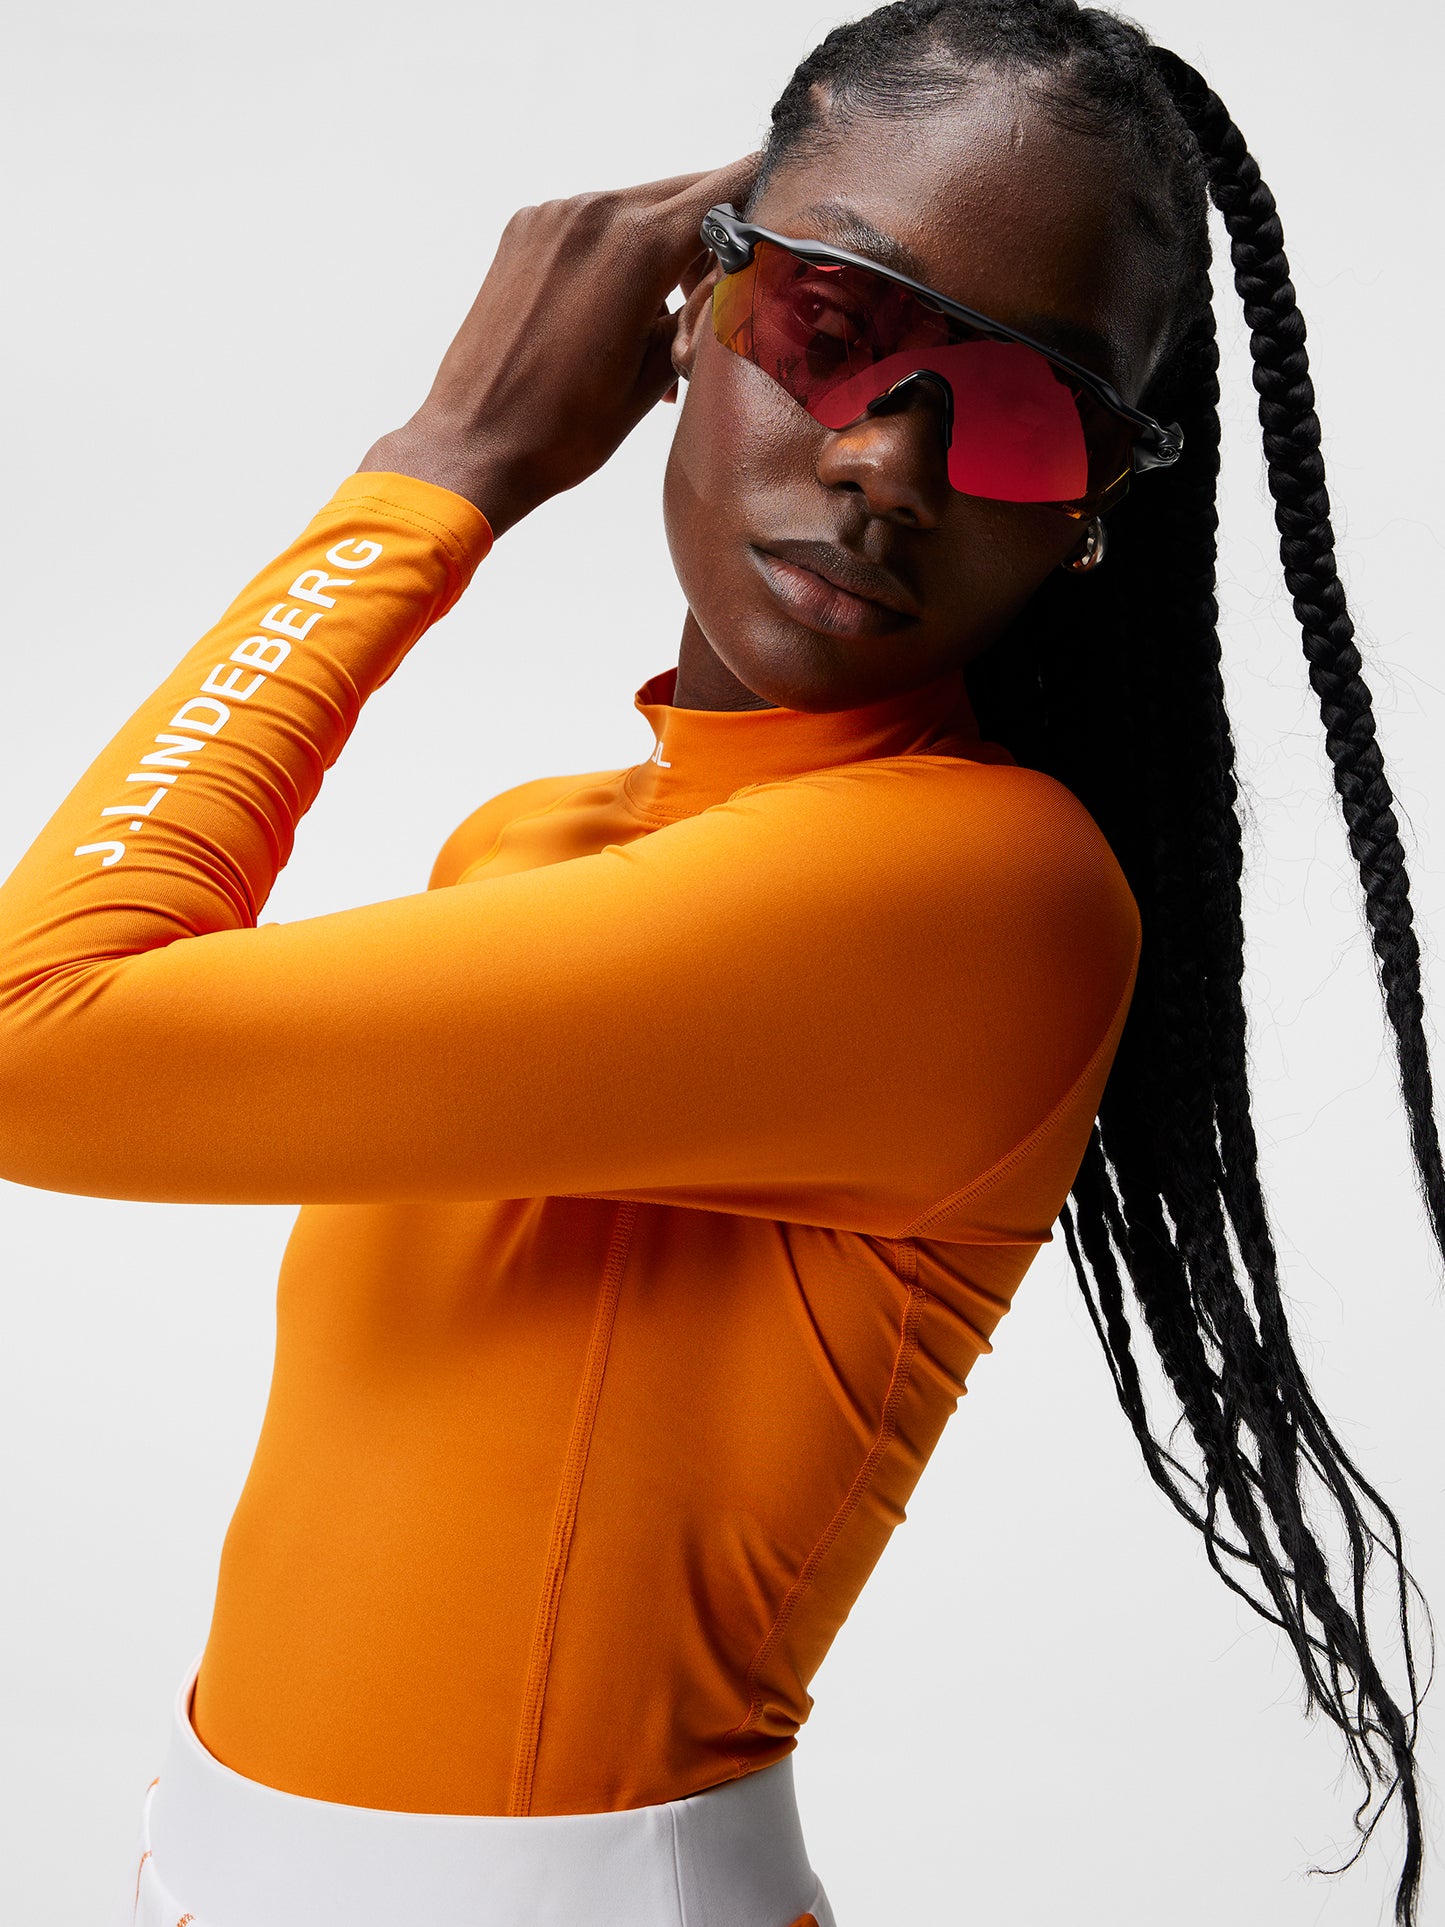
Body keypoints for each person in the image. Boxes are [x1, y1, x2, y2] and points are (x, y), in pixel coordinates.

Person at [0, 3, 1434, 1923]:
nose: (891, 467)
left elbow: (31, 1043)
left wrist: (440, 466)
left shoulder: (974, 897)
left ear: (1093, 512)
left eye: (1029, 414)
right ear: (690, 308)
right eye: (835, 327)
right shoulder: (534, 845)